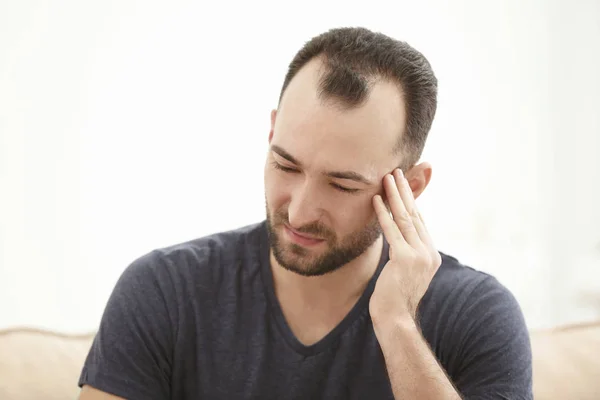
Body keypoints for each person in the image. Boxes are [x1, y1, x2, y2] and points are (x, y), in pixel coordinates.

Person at [77, 27, 532, 400]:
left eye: (342, 184)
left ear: (408, 188)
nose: (298, 210)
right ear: (272, 130)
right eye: (285, 165)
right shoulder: (165, 291)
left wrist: (396, 326)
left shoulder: (477, 317)